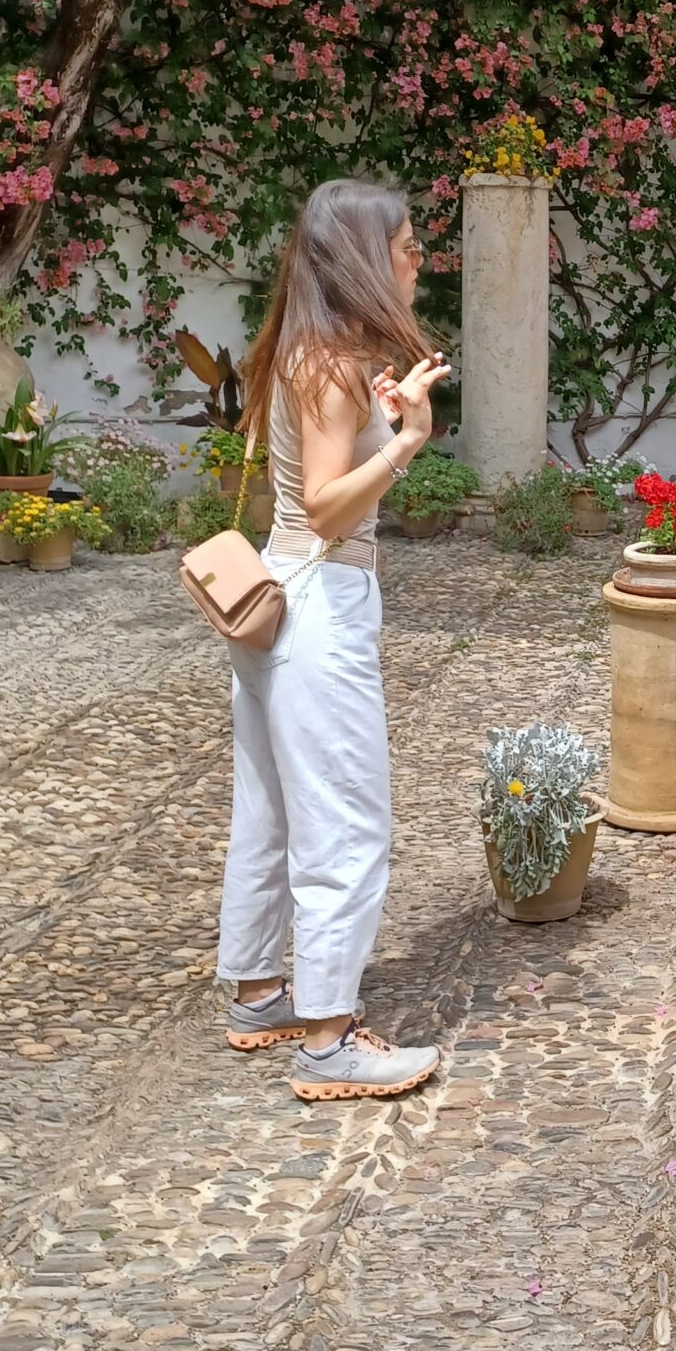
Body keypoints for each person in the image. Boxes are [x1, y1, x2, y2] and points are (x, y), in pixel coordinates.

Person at [216, 178, 449, 1100]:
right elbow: (323, 507)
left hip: (277, 597)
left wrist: (384, 421)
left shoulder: (307, 351)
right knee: (346, 823)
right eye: (406, 244)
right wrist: (407, 443)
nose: (416, 257)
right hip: (319, 604)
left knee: (270, 809)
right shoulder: (332, 364)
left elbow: (314, 482)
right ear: (363, 253)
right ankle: (327, 1042)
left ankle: (261, 991)